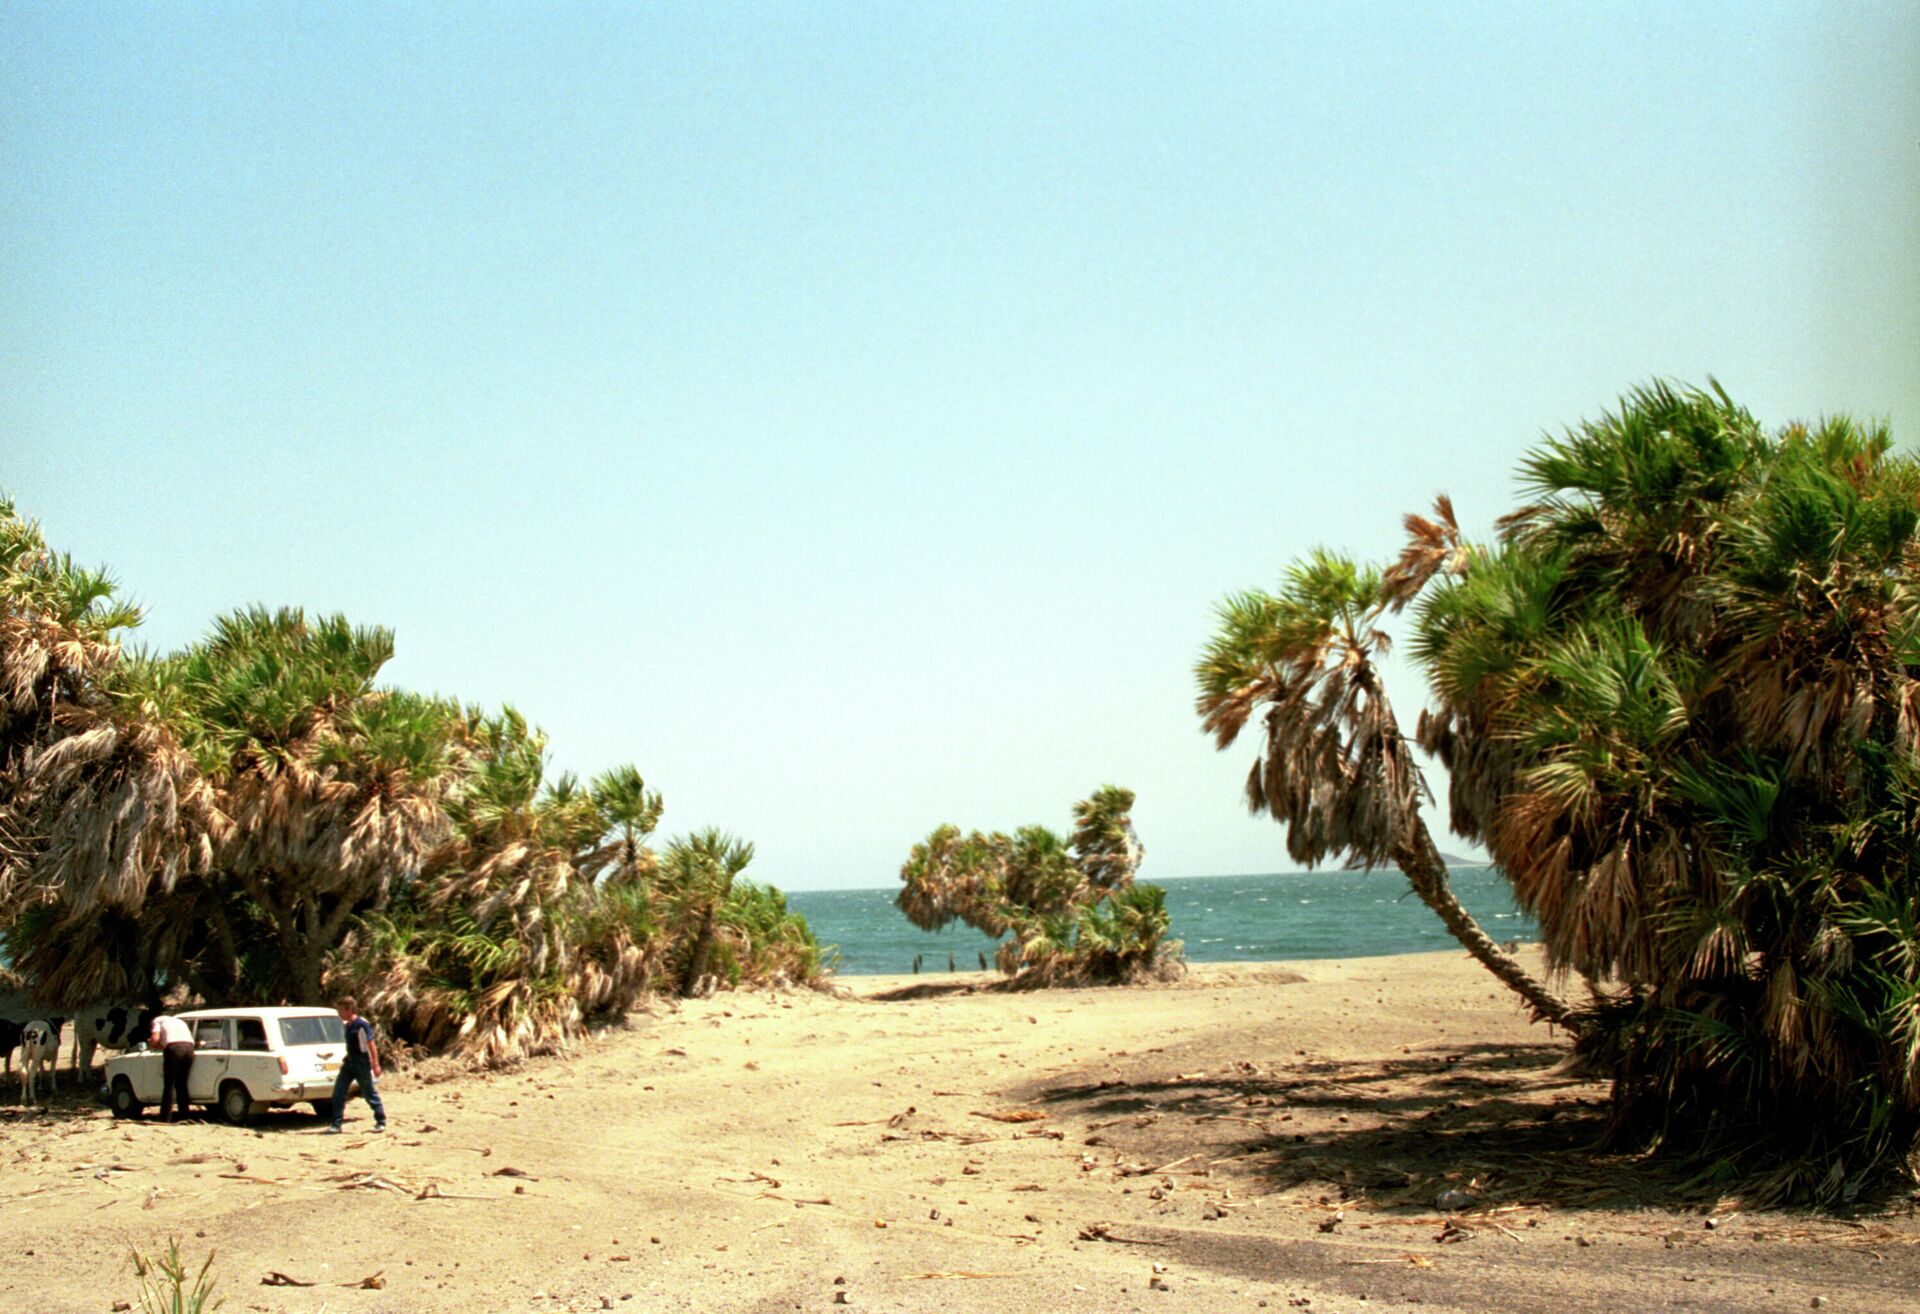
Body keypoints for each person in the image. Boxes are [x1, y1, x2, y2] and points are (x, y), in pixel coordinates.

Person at [327, 997, 386, 1134]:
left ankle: (380, 1120)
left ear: (349, 1009)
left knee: (368, 1092)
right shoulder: (347, 1026)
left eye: (341, 1010)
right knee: (338, 1092)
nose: (339, 1013)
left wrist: (375, 1064)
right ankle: (336, 1124)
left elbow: (371, 1045)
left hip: (361, 1062)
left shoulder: (361, 1025)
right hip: (349, 1062)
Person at [149, 1012, 195, 1122]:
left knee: (169, 1084)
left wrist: (152, 1043)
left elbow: (155, 1038)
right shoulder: (179, 1021)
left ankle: (165, 1117)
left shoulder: (157, 1021)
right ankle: (184, 1115)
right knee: (182, 1083)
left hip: (174, 1048)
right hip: (189, 1048)